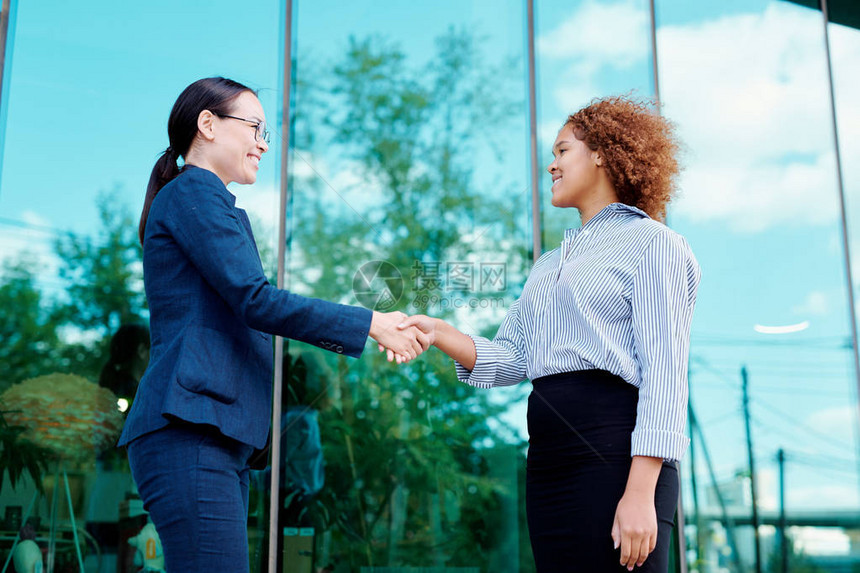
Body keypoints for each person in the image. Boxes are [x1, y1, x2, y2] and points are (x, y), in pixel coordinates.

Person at [117, 77, 427, 572]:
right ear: (208, 125)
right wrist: (368, 322)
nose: (263, 142)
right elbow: (253, 300)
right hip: (190, 432)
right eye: (255, 127)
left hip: (212, 437)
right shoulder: (193, 193)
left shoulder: (207, 201)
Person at [400, 95, 701, 572]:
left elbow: (665, 374)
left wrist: (641, 494)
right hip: (549, 464)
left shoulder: (653, 244)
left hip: (617, 457)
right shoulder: (547, 265)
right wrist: (437, 331)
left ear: (601, 152)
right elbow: (512, 359)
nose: (551, 165)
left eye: (562, 151)